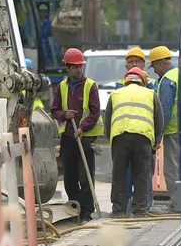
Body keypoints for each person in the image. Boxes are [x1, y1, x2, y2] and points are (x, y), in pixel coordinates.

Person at [51, 47, 101, 221]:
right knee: (70, 177)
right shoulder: (61, 88)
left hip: (85, 139)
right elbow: (54, 109)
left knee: (85, 177)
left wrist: (83, 127)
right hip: (68, 139)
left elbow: (95, 112)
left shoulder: (90, 86)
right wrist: (64, 115)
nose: (79, 69)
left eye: (80, 66)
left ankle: (87, 211)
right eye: (75, 67)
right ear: (68, 68)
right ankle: (74, 208)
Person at [103, 68, 160, 218]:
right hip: (143, 138)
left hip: (120, 137)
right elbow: (159, 120)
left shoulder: (115, 94)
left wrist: (112, 141)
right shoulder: (150, 94)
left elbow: (107, 121)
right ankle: (140, 211)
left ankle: (118, 211)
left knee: (119, 175)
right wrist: (156, 142)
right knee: (141, 175)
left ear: (126, 82)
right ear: (142, 82)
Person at [150, 45, 180, 205]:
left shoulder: (168, 81)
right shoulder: (180, 74)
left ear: (160, 64)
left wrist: (157, 136)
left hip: (173, 131)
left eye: (154, 66)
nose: (154, 70)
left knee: (171, 169)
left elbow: (164, 112)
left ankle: (177, 203)